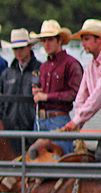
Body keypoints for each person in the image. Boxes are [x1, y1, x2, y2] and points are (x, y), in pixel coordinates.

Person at [30, 20, 83, 155]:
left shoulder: (71, 64)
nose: (46, 44)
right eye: (43, 40)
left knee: (60, 163)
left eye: (50, 40)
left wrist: (45, 96)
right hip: (41, 120)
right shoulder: (44, 66)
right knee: (39, 163)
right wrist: (38, 93)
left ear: (59, 40)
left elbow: (74, 94)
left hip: (59, 120)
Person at [0, 28, 42, 154]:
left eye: (21, 48)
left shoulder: (40, 70)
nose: (18, 52)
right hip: (11, 131)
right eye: (15, 49)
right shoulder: (7, 74)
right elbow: (1, 102)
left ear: (29, 47)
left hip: (32, 129)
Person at [63, 19, 101, 161]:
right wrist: (77, 122)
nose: (83, 43)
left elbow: (97, 96)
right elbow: (82, 95)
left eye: (86, 39)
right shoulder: (91, 66)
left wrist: (76, 121)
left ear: (99, 40)